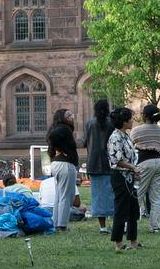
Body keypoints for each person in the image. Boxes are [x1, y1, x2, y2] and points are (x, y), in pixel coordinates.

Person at [106, 106, 141, 251]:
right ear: (124, 121)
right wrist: (132, 167)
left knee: (133, 209)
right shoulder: (115, 137)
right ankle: (118, 243)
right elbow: (116, 160)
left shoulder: (125, 135)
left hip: (129, 177)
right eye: (130, 119)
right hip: (120, 177)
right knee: (121, 209)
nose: (132, 121)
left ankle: (133, 241)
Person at [130, 104, 160, 233]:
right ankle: (155, 226)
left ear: (144, 115)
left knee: (137, 195)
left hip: (144, 163)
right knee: (156, 197)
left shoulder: (137, 130)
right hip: (159, 162)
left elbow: (130, 146)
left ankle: (129, 223)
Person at [45, 108, 79, 232]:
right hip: (64, 164)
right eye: (68, 115)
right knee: (67, 196)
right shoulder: (63, 128)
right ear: (62, 118)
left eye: (71, 114)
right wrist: (62, 150)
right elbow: (52, 136)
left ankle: (56, 223)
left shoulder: (59, 128)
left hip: (57, 163)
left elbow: (50, 136)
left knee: (60, 195)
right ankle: (62, 225)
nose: (71, 116)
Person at [82, 97, 114, 230]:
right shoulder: (112, 124)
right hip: (109, 163)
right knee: (112, 193)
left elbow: (85, 142)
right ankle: (115, 221)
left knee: (98, 195)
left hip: (93, 163)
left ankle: (103, 227)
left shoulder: (89, 124)